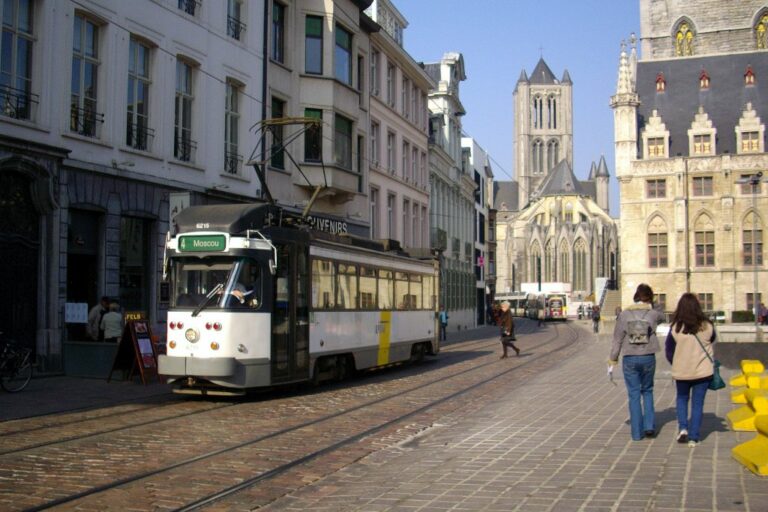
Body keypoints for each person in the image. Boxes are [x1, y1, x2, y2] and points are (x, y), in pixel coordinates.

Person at [609, 284, 665, 441]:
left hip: (630, 357)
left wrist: (613, 359)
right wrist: (654, 303)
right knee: (647, 390)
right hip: (648, 356)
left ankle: (636, 433)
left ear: (635, 297)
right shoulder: (652, 314)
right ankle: (649, 427)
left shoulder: (624, 315)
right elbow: (662, 315)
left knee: (634, 394)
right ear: (649, 298)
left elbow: (617, 340)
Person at [665, 293, 717, 447]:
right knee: (698, 403)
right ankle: (694, 437)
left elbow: (669, 351)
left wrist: (676, 361)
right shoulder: (707, 326)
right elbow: (713, 340)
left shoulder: (675, 327)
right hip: (703, 371)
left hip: (682, 371)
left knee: (681, 399)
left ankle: (683, 429)